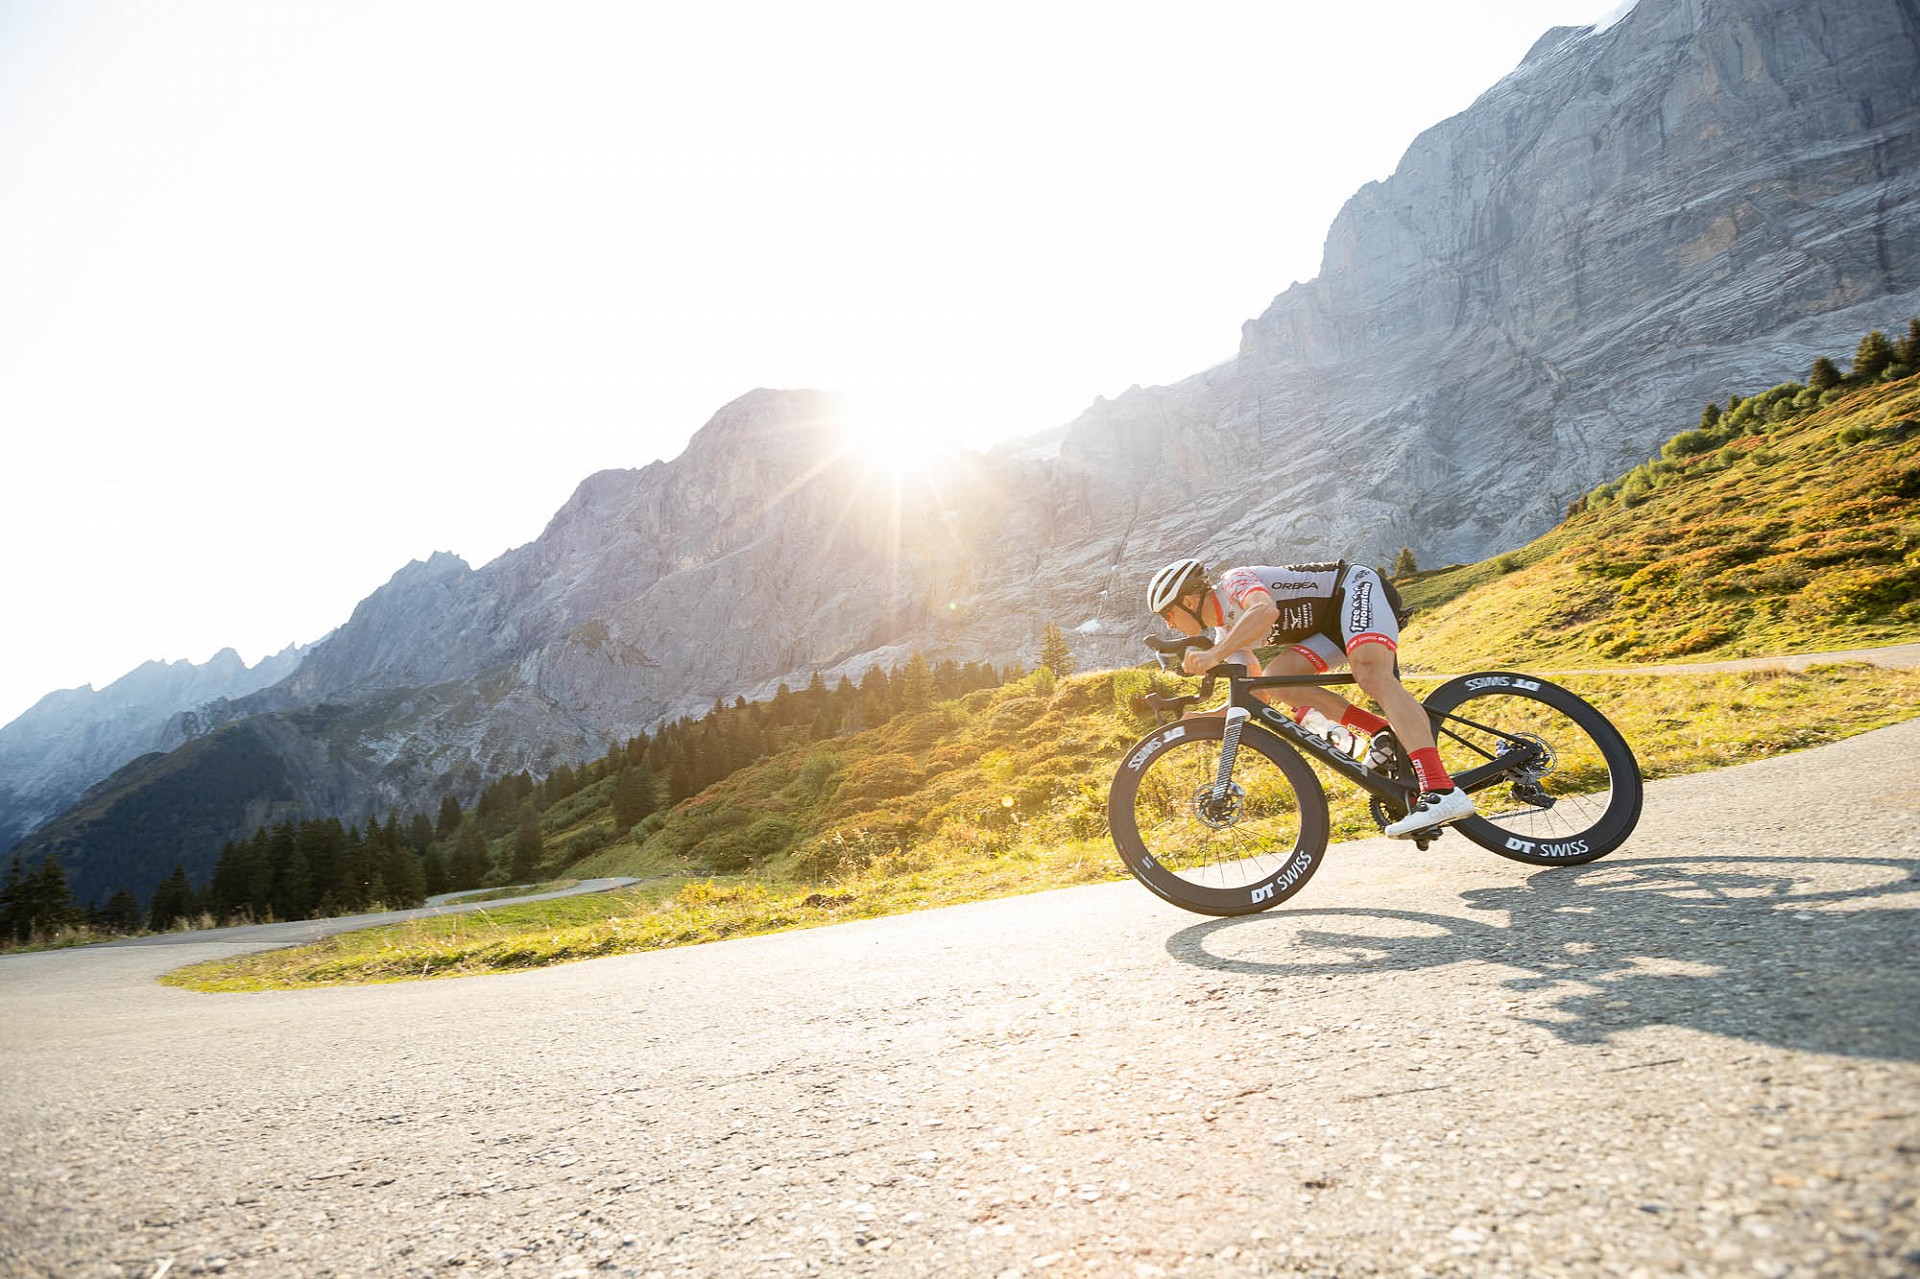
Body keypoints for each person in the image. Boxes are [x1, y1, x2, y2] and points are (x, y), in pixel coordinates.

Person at [1145, 557, 1476, 838]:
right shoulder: (1227, 634)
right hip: (1330, 627)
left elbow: (1264, 611)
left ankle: (1440, 789)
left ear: (1188, 601)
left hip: (1355, 587)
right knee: (1278, 681)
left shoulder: (1234, 581)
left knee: (1372, 674)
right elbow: (1255, 692)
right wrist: (1204, 718)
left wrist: (1215, 655)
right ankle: (1381, 732)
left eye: (1168, 614)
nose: (1169, 624)